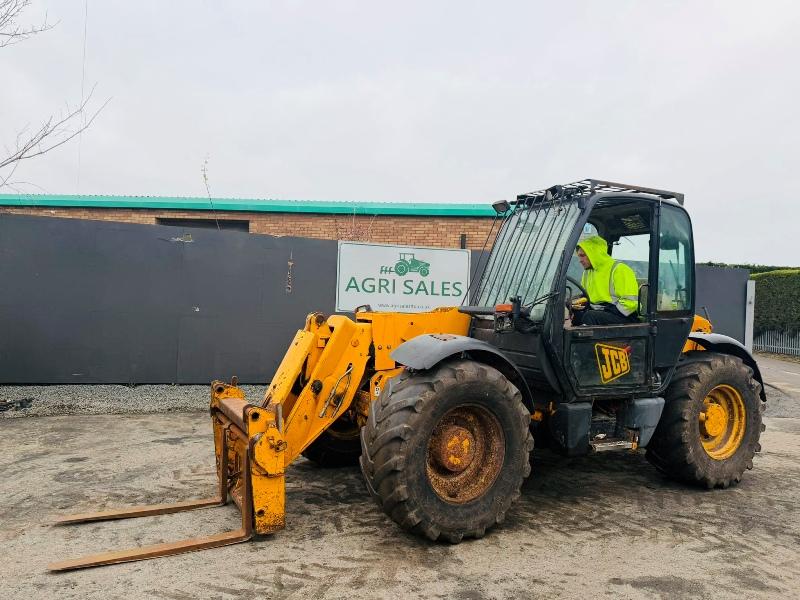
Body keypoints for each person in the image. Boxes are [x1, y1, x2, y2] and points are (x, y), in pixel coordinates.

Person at [571, 235, 640, 326]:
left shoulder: (620, 270)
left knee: (590, 316)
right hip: (601, 311)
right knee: (577, 316)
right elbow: (586, 296)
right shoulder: (588, 272)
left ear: (594, 253)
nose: (580, 260)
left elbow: (630, 303)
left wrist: (604, 310)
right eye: (579, 256)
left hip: (624, 315)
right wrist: (573, 303)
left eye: (583, 256)